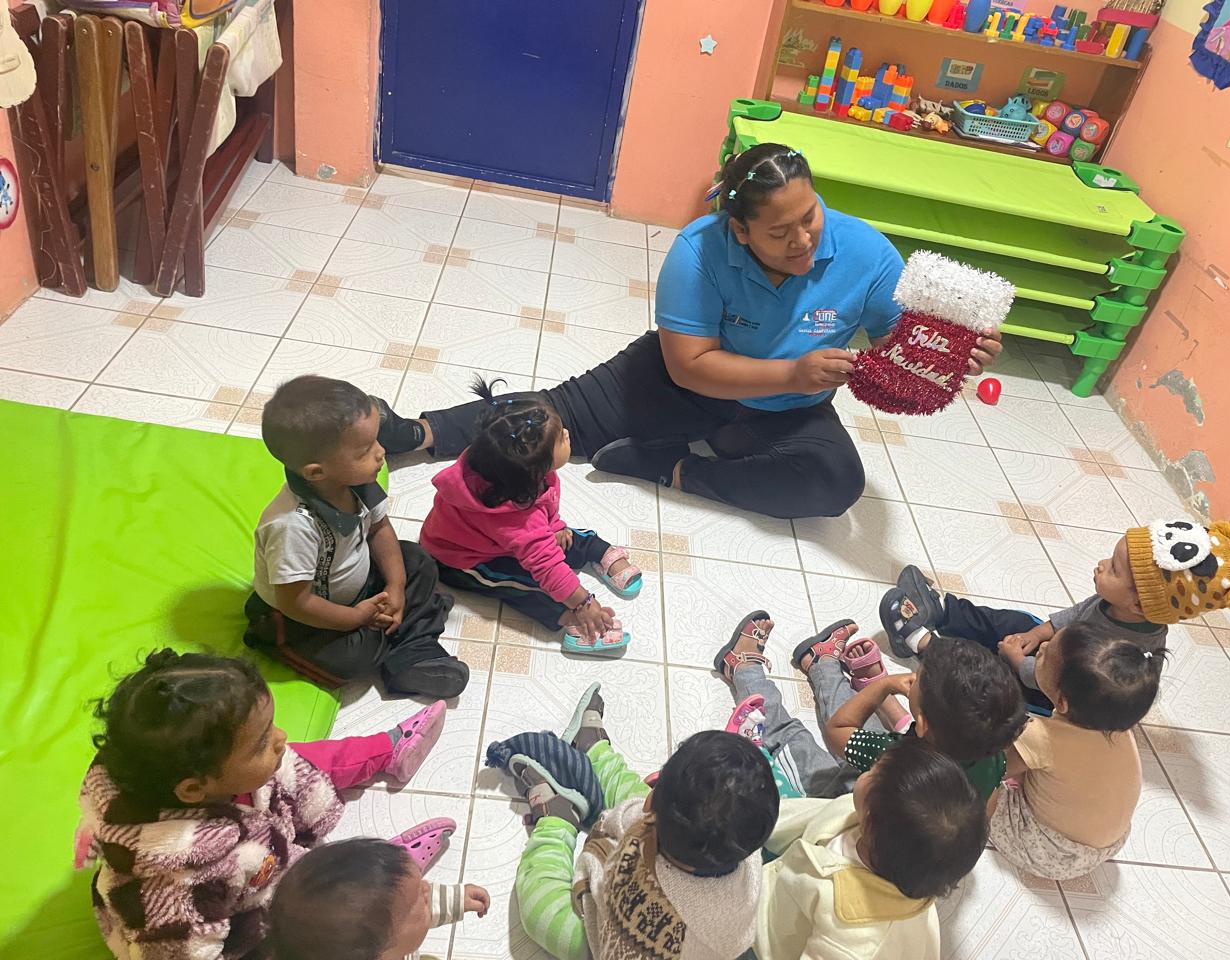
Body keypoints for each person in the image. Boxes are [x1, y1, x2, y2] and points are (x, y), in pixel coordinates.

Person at [371, 142, 1002, 520]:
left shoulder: (866, 252)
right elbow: (687, 365)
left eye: (810, 216)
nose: (804, 240)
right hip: (686, 383)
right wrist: (793, 371)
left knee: (835, 485)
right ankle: (418, 432)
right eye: (779, 232)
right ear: (741, 231)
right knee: (551, 417)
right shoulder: (699, 250)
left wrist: (945, 356)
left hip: (790, 408)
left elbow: (898, 344)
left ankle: (672, 467)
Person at [77, 650, 458, 960]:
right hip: (250, 922)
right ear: (194, 788)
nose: (280, 736)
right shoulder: (176, 886)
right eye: (261, 741)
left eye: (271, 724)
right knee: (330, 937)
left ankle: (386, 751)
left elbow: (293, 775)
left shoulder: (213, 774)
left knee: (302, 760)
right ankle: (370, 896)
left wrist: (316, 825)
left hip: (270, 849)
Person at [492, 684, 778, 960]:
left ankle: (556, 819)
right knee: (664, 802)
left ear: (651, 802)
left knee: (542, 915)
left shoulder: (638, 888)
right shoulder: (744, 856)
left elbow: (618, 822)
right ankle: (592, 749)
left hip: (606, 939)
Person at [880, 518, 1230, 712]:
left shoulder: (1121, 651)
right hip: (1055, 651)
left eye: (1113, 569)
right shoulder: (1120, 603)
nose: (1101, 565)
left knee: (989, 678)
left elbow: (1057, 680)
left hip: (1050, 690)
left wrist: (1018, 663)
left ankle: (925, 645)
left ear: (1139, 603)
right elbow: (1078, 612)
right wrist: (1038, 634)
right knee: (1014, 622)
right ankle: (943, 611)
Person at [243, 375, 469, 699]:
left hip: (358, 587)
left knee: (418, 561)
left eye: (377, 441)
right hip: (302, 617)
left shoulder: (357, 480)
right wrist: (354, 618)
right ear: (316, 472)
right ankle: (409, 640)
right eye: (365, 451)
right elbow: (297, 602)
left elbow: (379, 529)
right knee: (352, 661)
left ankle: (408, 643)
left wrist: (395, 586)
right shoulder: (293, 526)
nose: (381, 453)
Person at [419, 378, 642, 655]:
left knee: (564, 535)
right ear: (537, 470)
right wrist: (583, 602)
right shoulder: (519, 518)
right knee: (526, 585)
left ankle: (597, 550)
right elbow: (546, 565)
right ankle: (569, 618)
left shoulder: (504, 463)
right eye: (561, 437)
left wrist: (555, 525)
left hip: (501, 535)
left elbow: (547, 506)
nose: (567, 433)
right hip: (461, 559)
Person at [715, 613, 1025, 803]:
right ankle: (822, 663)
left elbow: (837, 731)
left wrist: (884, 685)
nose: (913, 678)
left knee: (791, 739)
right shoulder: (993, 759)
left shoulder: (891, 755)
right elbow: (986, 808)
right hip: (907, 811)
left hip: (849, 805)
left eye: (919, 678)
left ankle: (742, 669)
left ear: (923, 723)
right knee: (862, 719)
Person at [755, 737, 987, 960]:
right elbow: (799, 817)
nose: (868, 769)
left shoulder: (855, 939)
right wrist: (753, 823)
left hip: (767, 939)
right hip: (778, 877)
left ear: (869, 816)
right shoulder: (871, 820)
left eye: (874, 770)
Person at [991, 622, 1166, 879]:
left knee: (979, 776)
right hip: (1105, 846)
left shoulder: (1042, 736)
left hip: (1049, 851)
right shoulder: (1116, 724)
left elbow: (998, 768)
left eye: (1046, 656)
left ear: (1062, 702)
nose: (1043, 647)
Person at [267, 838, 490, 960]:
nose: (427, 889)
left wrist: (455, 899)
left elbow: (419, 907)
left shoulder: (379, 939)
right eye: (417, 900)